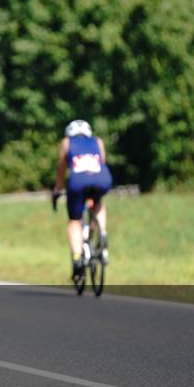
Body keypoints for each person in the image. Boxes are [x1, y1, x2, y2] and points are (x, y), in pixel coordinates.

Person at [52, 119, 112, 282]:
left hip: (78, 183)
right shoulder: (97, 141)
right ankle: (102, 233)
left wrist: (57, 189)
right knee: (98, 202)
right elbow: (102, 162)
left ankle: (78, 257)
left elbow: (62, 169)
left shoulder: (67, 142)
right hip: (102, 180)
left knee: (74, 221)